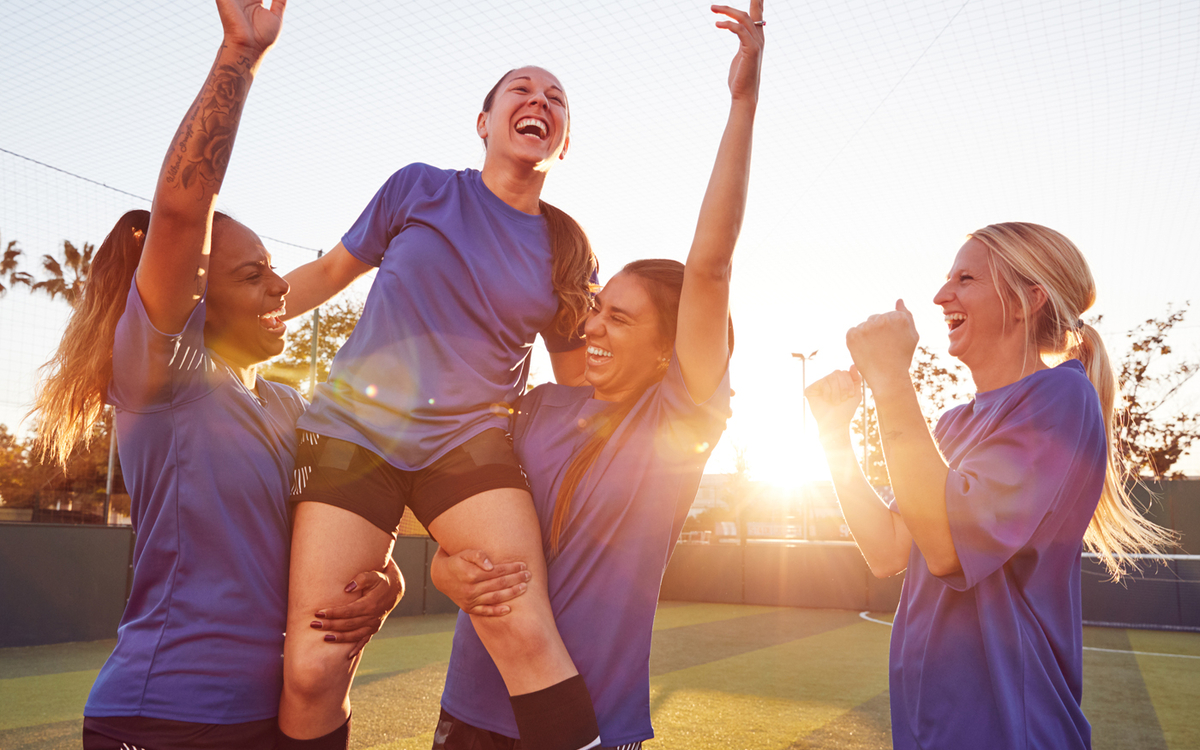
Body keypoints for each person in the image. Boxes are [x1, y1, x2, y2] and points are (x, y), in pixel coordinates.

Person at [31, 3, 402, 748]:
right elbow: (178, 212)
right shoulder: (162, 382)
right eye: (253, 274)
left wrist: (386, 583)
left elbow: (340, 522)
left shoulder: (286, 403)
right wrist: (240, 56)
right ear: (198, 296)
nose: (278, 288)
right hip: (165, 714)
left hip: (279, 720)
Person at [425, 3, 763, 747]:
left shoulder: (681, 417)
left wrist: (742, 102)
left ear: (671, 351)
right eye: (596, 309)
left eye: (620, 318)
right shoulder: (538, 408)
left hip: (591, 726)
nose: (592, 326)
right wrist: (444, 568)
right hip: (472, 711)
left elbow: (709, 265)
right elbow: (450, 504)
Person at [276, 28, 603, 750]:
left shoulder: (566, 249)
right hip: (352, 434)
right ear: (484, 123)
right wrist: (219, 326)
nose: (538, 101)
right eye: (521, 89)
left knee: (519, 623)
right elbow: (329, 274)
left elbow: (582, 386)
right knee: (313, 662)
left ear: (564, 144)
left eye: (556, 100)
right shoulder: (418, 186)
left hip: (470, 445)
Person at [803, 222, 1176, 749]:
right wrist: (834, 436)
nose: (940, 295)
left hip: (1009, 731)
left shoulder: (1060, 398)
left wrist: (890, 380)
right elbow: (887, 549)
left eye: (966, 277)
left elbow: (947, 549)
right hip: (931, 728)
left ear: (1027, 301)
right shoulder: (952, 424)